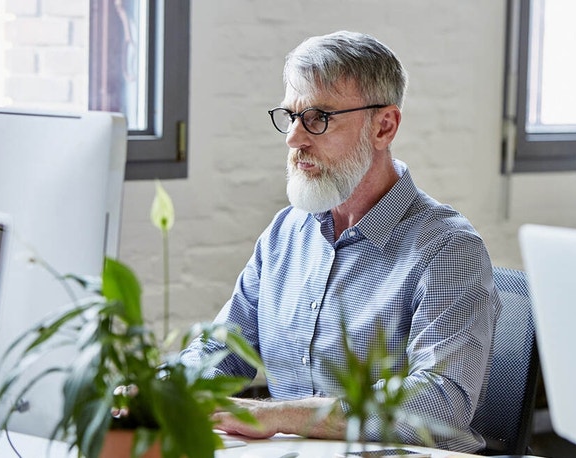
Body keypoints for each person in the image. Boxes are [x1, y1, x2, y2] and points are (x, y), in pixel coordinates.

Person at [180, 30, 501, 453]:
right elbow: (223, 349)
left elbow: (441, 402)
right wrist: (159, 391)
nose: (295, 138)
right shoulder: (285, 232)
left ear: (384, 126)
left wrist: (281, 416)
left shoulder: (447, 248)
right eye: (291, 116)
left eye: (319, 118)